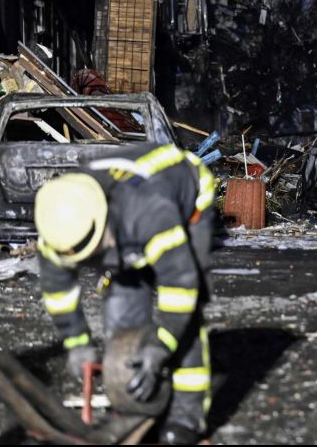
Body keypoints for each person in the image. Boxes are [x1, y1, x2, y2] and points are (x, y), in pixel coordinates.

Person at [34, 143, 216, 443]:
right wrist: (76, 343)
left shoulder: (151, 212)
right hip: (123, 226)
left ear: (103, 221)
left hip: (188, 199)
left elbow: (180, 286)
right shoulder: (59, 226)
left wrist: (161, 345)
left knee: (186, 318)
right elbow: (59, 292)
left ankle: (186, 417)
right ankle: (134, 398)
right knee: (122, 308)